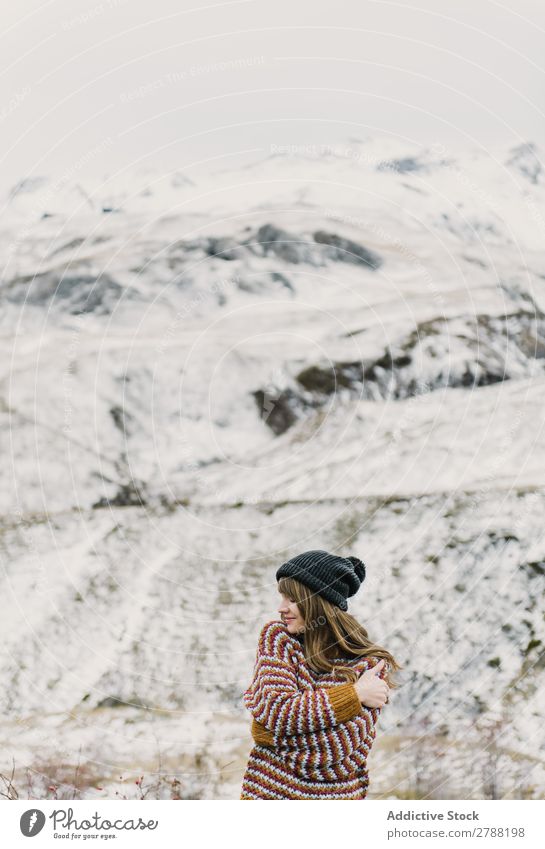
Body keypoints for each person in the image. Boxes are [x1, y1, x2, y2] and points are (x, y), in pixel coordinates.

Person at [240, 549, 401, 799]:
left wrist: (269, 733)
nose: (281, 608)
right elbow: (279, 710)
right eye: (282, 598)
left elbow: (332, 749)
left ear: (318, 602)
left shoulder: (368, 667)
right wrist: (354, 695)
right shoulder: (279, 640)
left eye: (292, 599)